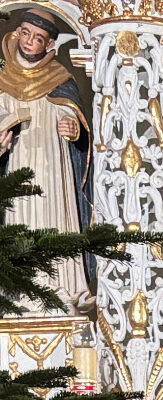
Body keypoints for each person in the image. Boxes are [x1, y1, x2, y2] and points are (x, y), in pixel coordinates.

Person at [0, 8, 93, 313]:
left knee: (56, 217)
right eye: (26, 33)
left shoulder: (60, 79)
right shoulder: (2, 79)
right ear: (17, 34)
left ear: (50, 45)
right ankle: (21, 289)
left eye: (38, 37)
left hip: (54, 166)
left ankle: (63, 286)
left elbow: (73, 117)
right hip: (17, 163)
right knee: (19, 217)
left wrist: (74, 128)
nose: (29, 41)